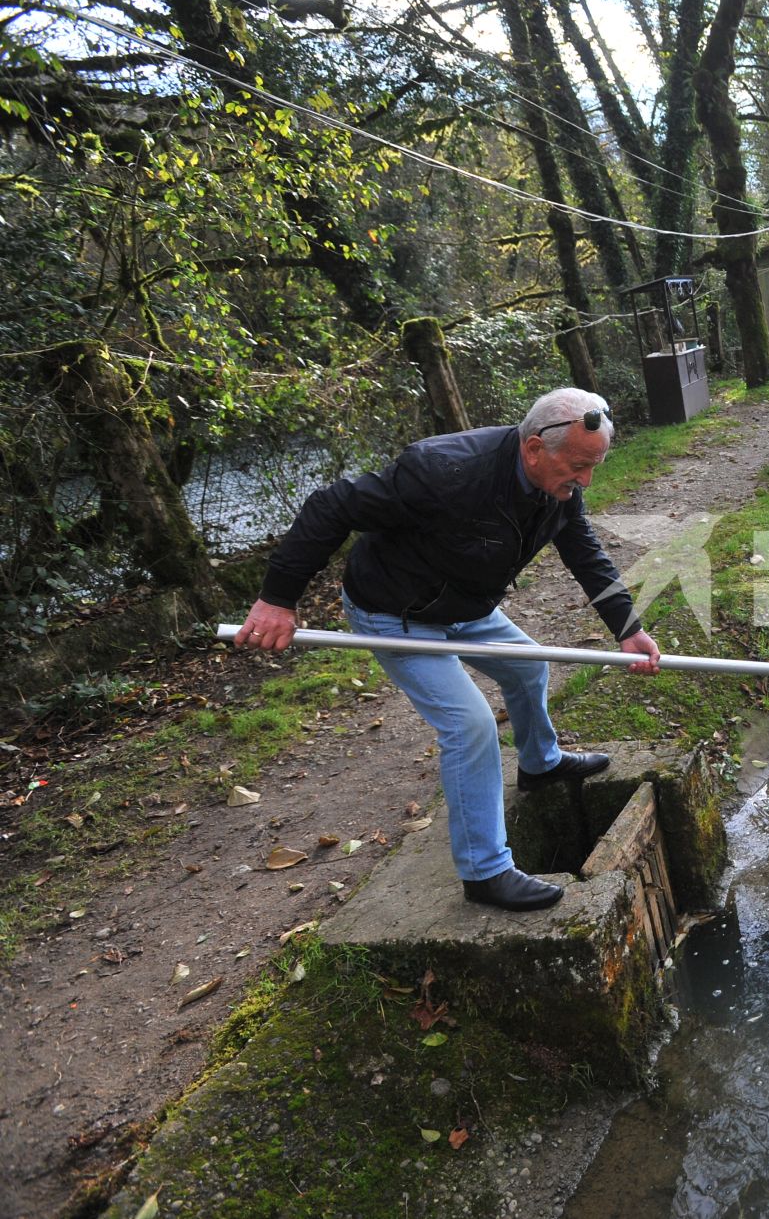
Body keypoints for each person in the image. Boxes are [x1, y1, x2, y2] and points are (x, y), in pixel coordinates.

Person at [231, 388, 662, 912]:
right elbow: (332, 505)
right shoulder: (442, 469)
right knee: (470, 726)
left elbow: (585, 552)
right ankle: (485, 872)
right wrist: (278, 599)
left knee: (529, 670)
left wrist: (627, 627)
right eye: (578, 466)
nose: (586, 481)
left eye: (593, 467)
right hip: (397, 616)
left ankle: (541, 764)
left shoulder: (559, 488)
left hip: (468, 609)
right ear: (532, 449)